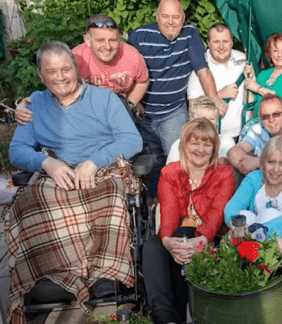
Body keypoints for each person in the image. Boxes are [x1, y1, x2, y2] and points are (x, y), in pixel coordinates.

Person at [6, 41, 143, 323]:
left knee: (110, 197)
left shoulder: (104, 99)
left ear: (76, 68)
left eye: (66, 69)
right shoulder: (34, 104)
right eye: (51, 71)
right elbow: (17, 150)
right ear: (42, 75)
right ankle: (50, 276)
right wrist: (47, 163)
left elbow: (132, 139)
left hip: (101, 169)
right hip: (57, 171)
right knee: (29, 202)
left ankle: (105, 276)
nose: (60, 77)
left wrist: (95, 161)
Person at [127, 0, 226, 196]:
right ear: (157, 17)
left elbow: (202, 70)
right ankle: (153, 207)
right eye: (165, 16)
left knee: (181, 162)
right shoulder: (139, 37)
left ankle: (183, 207)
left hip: (173, 111)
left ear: (183, 18)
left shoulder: (190, 35)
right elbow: (128, 73)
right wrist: (135, 103)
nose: (171, 22)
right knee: (148, 165)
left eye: (175, 17)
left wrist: (215, 99)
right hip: (143, 114)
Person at [142, 118, 235, 324]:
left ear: (214, 149)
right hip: (176, 238)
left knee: (181, 237)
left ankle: (188, 315)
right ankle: (167, 319)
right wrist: (166, 241)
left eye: (207, 144)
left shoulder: (223, 174)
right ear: (184, 145)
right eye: (195, 142)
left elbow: (216, 213)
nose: (200, 149)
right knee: (152, 247)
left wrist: (200, 240)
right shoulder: (170, 173)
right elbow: (168, 213)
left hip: (211, 239)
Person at [13, 14, 149, 128]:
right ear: (87, 40)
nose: (107, 46)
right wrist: (27, 106)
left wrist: (130, 103)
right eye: (100, 40)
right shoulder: (75, 58)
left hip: (120, 111)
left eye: (112, 40)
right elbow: (57, 86)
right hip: (85, 114)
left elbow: (142, 82)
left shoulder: (132, 56)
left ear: (119, 39)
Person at [224, 136, 282, 278]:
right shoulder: (254, 178)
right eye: (271, 162)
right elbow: (231, 208)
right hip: (254, 244)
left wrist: (260, 230)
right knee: (243, 217)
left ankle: (266, 274)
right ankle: (247, 272)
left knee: (270, 214)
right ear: (263, 161)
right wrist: (238, 226)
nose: (275, 169)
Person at [187, 23, 248, 156]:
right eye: (216, 42)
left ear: (232, 42)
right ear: (208, 43)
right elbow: (193, 108)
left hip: (244, 137)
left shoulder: (243, 59)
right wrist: (218, 95)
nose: (221, 47)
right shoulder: (200, 69)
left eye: (225, 41)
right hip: (214, 140)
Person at [227, 94, 282, 175]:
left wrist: (258, 162)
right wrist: (245, 165)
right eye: (265, 116)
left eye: (276, 114)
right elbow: (233, 152)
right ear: (260, 117)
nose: (271, 120)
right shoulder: (258, 130)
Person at [244, 33, 282, 126]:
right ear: (270, 53)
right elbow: (250, 103)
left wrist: (257, 88)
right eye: (275, 51)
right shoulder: (263, 75)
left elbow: (280, 99)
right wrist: (248, 80)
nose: (280, 55)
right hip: (261, 124)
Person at [166, 96, 223, 164]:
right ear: (192, 119)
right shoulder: (178, 144)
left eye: (211, 119)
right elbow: (171, 172)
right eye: (202, 119)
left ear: (217, 120)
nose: (207, 123)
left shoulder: (225, 142)